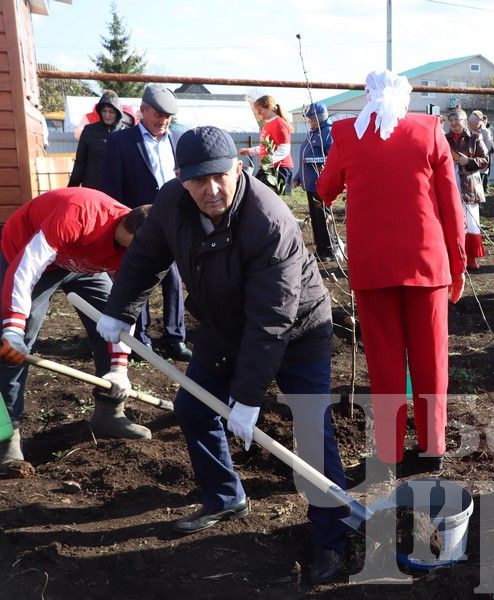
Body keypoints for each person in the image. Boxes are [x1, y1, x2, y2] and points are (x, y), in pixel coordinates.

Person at [96, 126, 348, 583]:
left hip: (297, 330)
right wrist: (120, 311)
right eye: (198, 180)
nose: (211, 190)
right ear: (181, 178)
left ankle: (333, 535)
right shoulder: (172, 203)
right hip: (222, 324)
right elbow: (145, 255)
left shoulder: (268, 221)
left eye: (220, 177)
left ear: (238, 167)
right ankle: (225, 496)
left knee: (311, 432)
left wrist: (249, 397)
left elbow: (271, 319)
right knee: (193, 407)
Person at [317, 70, 466, 474]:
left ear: (367, 96)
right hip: (427, 262)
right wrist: (458, 261)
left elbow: (325, 188)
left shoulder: (347, 133)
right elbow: (450, 201)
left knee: (384, 364)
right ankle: (433, 446)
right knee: (431, 358)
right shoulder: (429, 127)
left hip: (373, 266)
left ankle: (390, 451)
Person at [0, 188, 152, 473]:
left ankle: (109, 414)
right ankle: (6, 438)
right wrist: (13, 327)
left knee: (107, 326)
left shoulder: (138, 249)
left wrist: (120, 368)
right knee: (12, 350)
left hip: (82, 265)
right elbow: (26, 267)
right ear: (133, 236)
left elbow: (124, 308)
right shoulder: (80, 215)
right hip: (24, 252)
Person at [101, 84, 190, 362]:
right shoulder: (120, 142)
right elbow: (110, 188)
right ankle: (141, 337)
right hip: (139, 222)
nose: (163, 120)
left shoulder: (178, 140)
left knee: (174, 279)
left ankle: (175, 337)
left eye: (168, 116)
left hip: (173, 219)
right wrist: (122, 224)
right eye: (158, 114)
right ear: (143, 110)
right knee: (141, 278)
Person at [448, 107, 489, 270]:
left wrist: (469, 161)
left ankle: (471, 258)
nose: (454, 123)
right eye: (451, 120)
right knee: (454, 222)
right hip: (450, 183)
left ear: (464, 121)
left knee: (471, 223)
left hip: (469, 186)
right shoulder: (444, 139)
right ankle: (457, 258)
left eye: (457, 120)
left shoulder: (475, 138)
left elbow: (485, 160)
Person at [68, 90, 132, 190]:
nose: (107, 115)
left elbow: (131, 166)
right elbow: (80, 162)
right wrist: (71, 188)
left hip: (118, 190)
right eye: (104, 111)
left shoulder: (127, 133)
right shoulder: (89, 131)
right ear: (99, 111)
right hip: (93, 189)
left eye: (111, 112)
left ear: (118, 113)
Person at [296, 101, 335, 260]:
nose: (308, 121)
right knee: (316, 218)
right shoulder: (312, 133)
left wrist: (313, 160)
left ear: (319, 118)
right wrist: (298, 177)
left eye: (311, 118)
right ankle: (320, 248)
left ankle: (329, 250)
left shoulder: (327, 133)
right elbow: (303, 157)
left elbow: (331, 158)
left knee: (323, 218)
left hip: (321, 183)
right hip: (310, 184)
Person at [239, 95, 294, 195]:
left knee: (265, 197)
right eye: (257, 110)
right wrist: (250, 151)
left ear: (269, 107)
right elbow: (266, 147)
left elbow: (284, 148)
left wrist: (267, 161)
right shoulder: (268, 125)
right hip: (269, 167)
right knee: (257, 193)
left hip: (279, 169)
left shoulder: (279, 124)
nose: (258, 113)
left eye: (260, 110)